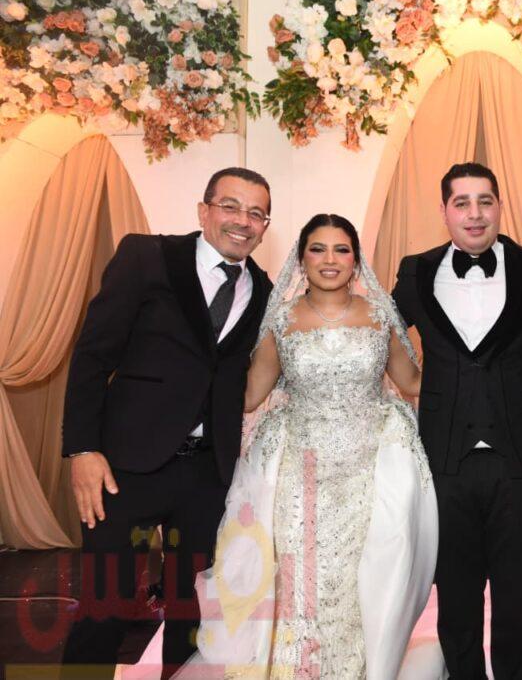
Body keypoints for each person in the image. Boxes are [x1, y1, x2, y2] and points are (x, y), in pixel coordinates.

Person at [180, 214, 438, 679]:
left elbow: (412, 382)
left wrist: (467, 366)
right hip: (300, 472)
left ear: (356, 259)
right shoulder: (281, 319)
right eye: (318, 249)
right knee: (301, 578)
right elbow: (251, 395)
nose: (329, 259)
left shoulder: (380, 315)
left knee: (364, 576)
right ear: (301, 259)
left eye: (341, 249)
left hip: (368, 469)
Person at [60, 167, 274, 679]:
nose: (242, 221)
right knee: (107, 603)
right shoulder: (146, 256)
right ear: (204, 210)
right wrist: (82, 449)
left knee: (190, 610)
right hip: (124, 467)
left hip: (207, 473)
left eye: (256, 213)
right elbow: (92, 355)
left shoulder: (264, 289)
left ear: (265, 226)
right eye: (230, 206)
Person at [392, 163, 522, 679]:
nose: (475, 213)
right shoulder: (415, 272)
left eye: (485, 201)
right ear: (444, 211)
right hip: (444, 461)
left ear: (500, 206)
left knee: (517, 596)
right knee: (456, 595)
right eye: (462, 202)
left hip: (519, 460)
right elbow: (375, 333)